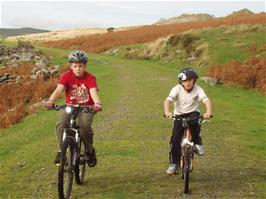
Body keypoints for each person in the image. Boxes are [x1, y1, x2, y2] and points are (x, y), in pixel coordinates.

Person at [44, 49, 102, 167]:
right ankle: (62, 151)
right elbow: (59, 89)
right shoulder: (67, 76)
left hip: (87, 107)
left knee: (84, 126)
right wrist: (51, 100)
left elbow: (93, 91)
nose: (78, 69)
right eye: (75, 66)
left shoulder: (90, 78)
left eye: (80, 66)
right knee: (61, 124)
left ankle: (89, 150)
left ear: (84, 66)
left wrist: (97, 104)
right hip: (70, 106)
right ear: (71, 66)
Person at [164, 67, 212, 175]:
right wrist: (167, 112)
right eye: (185, 80)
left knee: (195, 125)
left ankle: (197, 142)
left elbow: (206, 100)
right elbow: (167, 101)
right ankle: (174, 163)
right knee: (175, 138)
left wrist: (208, 112)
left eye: (190, 80)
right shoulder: (176, 89)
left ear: (194, 80)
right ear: (181, 81)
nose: (188, 83)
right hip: (179, 114)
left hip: (193, 113)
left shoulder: (198, 89)